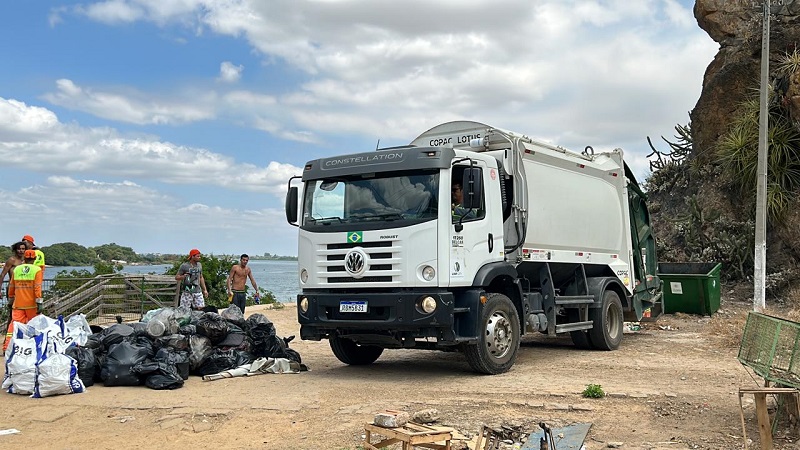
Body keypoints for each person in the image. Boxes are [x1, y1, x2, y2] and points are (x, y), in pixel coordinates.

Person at [3, 250, 43, 352]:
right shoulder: (37, 270)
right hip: (32, 305)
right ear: (34, 259)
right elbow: (37, 288)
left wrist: (11, 299)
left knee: (13, 326)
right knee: (34, 326)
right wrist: (39, 303)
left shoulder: (17, 269)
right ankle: (34, 347)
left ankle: (7, 347)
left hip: (18, 304)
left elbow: (12, 286)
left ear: (24, 258)